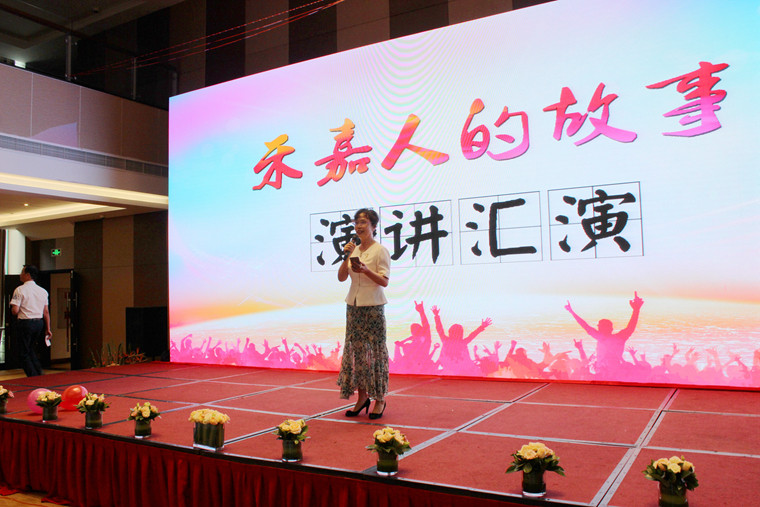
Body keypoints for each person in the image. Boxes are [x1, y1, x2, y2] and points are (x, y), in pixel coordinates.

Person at [337, 208, 390, 419]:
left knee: (375, 354)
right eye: (357, 222)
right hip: (354, 306)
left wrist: (366, 270)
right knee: (357, 354)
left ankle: (380, 399)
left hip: (373, 307)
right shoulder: (354, 249)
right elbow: (341, 277)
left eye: (363, 222)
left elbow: (384, 281)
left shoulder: (380, 250)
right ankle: (362, 398)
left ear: (374, 226)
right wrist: (346, 256)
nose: (359, 226)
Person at [565, 292, 644, 378]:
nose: (598, 329)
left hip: (604, 374)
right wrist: (636, 310)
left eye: (599, 327)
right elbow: (631, 326)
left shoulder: (602, 338)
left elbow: (585, 326)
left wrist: (572, 312)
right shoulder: (620, 338)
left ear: (606, 329)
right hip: (614, 373)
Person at [10, 265, 52, 377]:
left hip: (25, 322)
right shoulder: (43, 291)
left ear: (28, 275)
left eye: (22, 272)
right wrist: (48, 328)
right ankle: (38, 371)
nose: (20, 275)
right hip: (39, 323)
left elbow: (15, 310)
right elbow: (46, 312)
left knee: (23, 352)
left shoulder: (20, 290)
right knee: (31, 348)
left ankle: (32, 375)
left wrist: (13, 309)